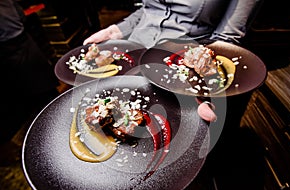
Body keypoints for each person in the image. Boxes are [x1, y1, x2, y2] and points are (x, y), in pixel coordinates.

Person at [83, 0, 263, 122]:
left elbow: (226, 38)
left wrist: (200, 83)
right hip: (133, 54)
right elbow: (150, 9)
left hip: (181, 69)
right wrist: (117, 30)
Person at [0, 0, 61, 164]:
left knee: (46, 97)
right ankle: (45, 147)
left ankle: (53, 138)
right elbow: (19, 15)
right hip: (12, 49)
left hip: (22, 44)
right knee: (35, 100)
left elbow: (19, 14)